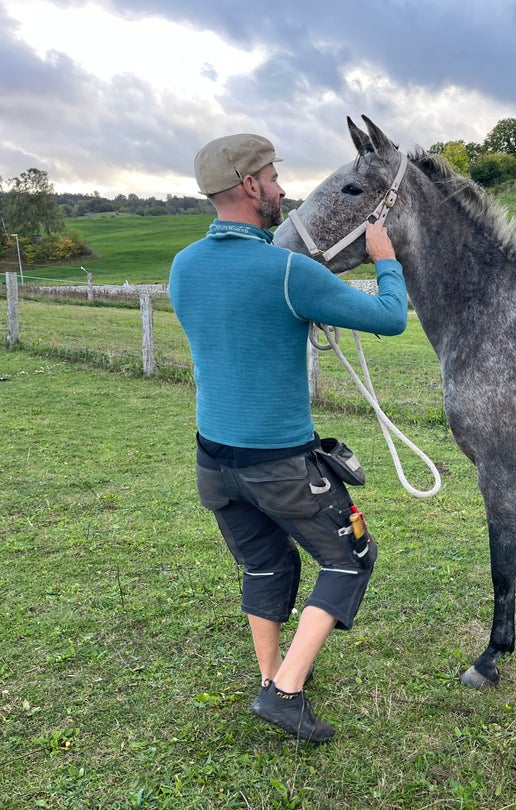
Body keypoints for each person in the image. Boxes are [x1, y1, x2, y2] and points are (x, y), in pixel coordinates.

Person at [169, 133, 408, 743]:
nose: (281, 189)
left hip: (213, 462)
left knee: (265, 564)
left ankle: (270, 675)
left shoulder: (183, 266)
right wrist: (385, 258)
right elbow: (390, 318)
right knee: (351, 558)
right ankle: (285, 691)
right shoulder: (288, 272)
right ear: (250, 185)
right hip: (281, 466)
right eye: (273, 178)